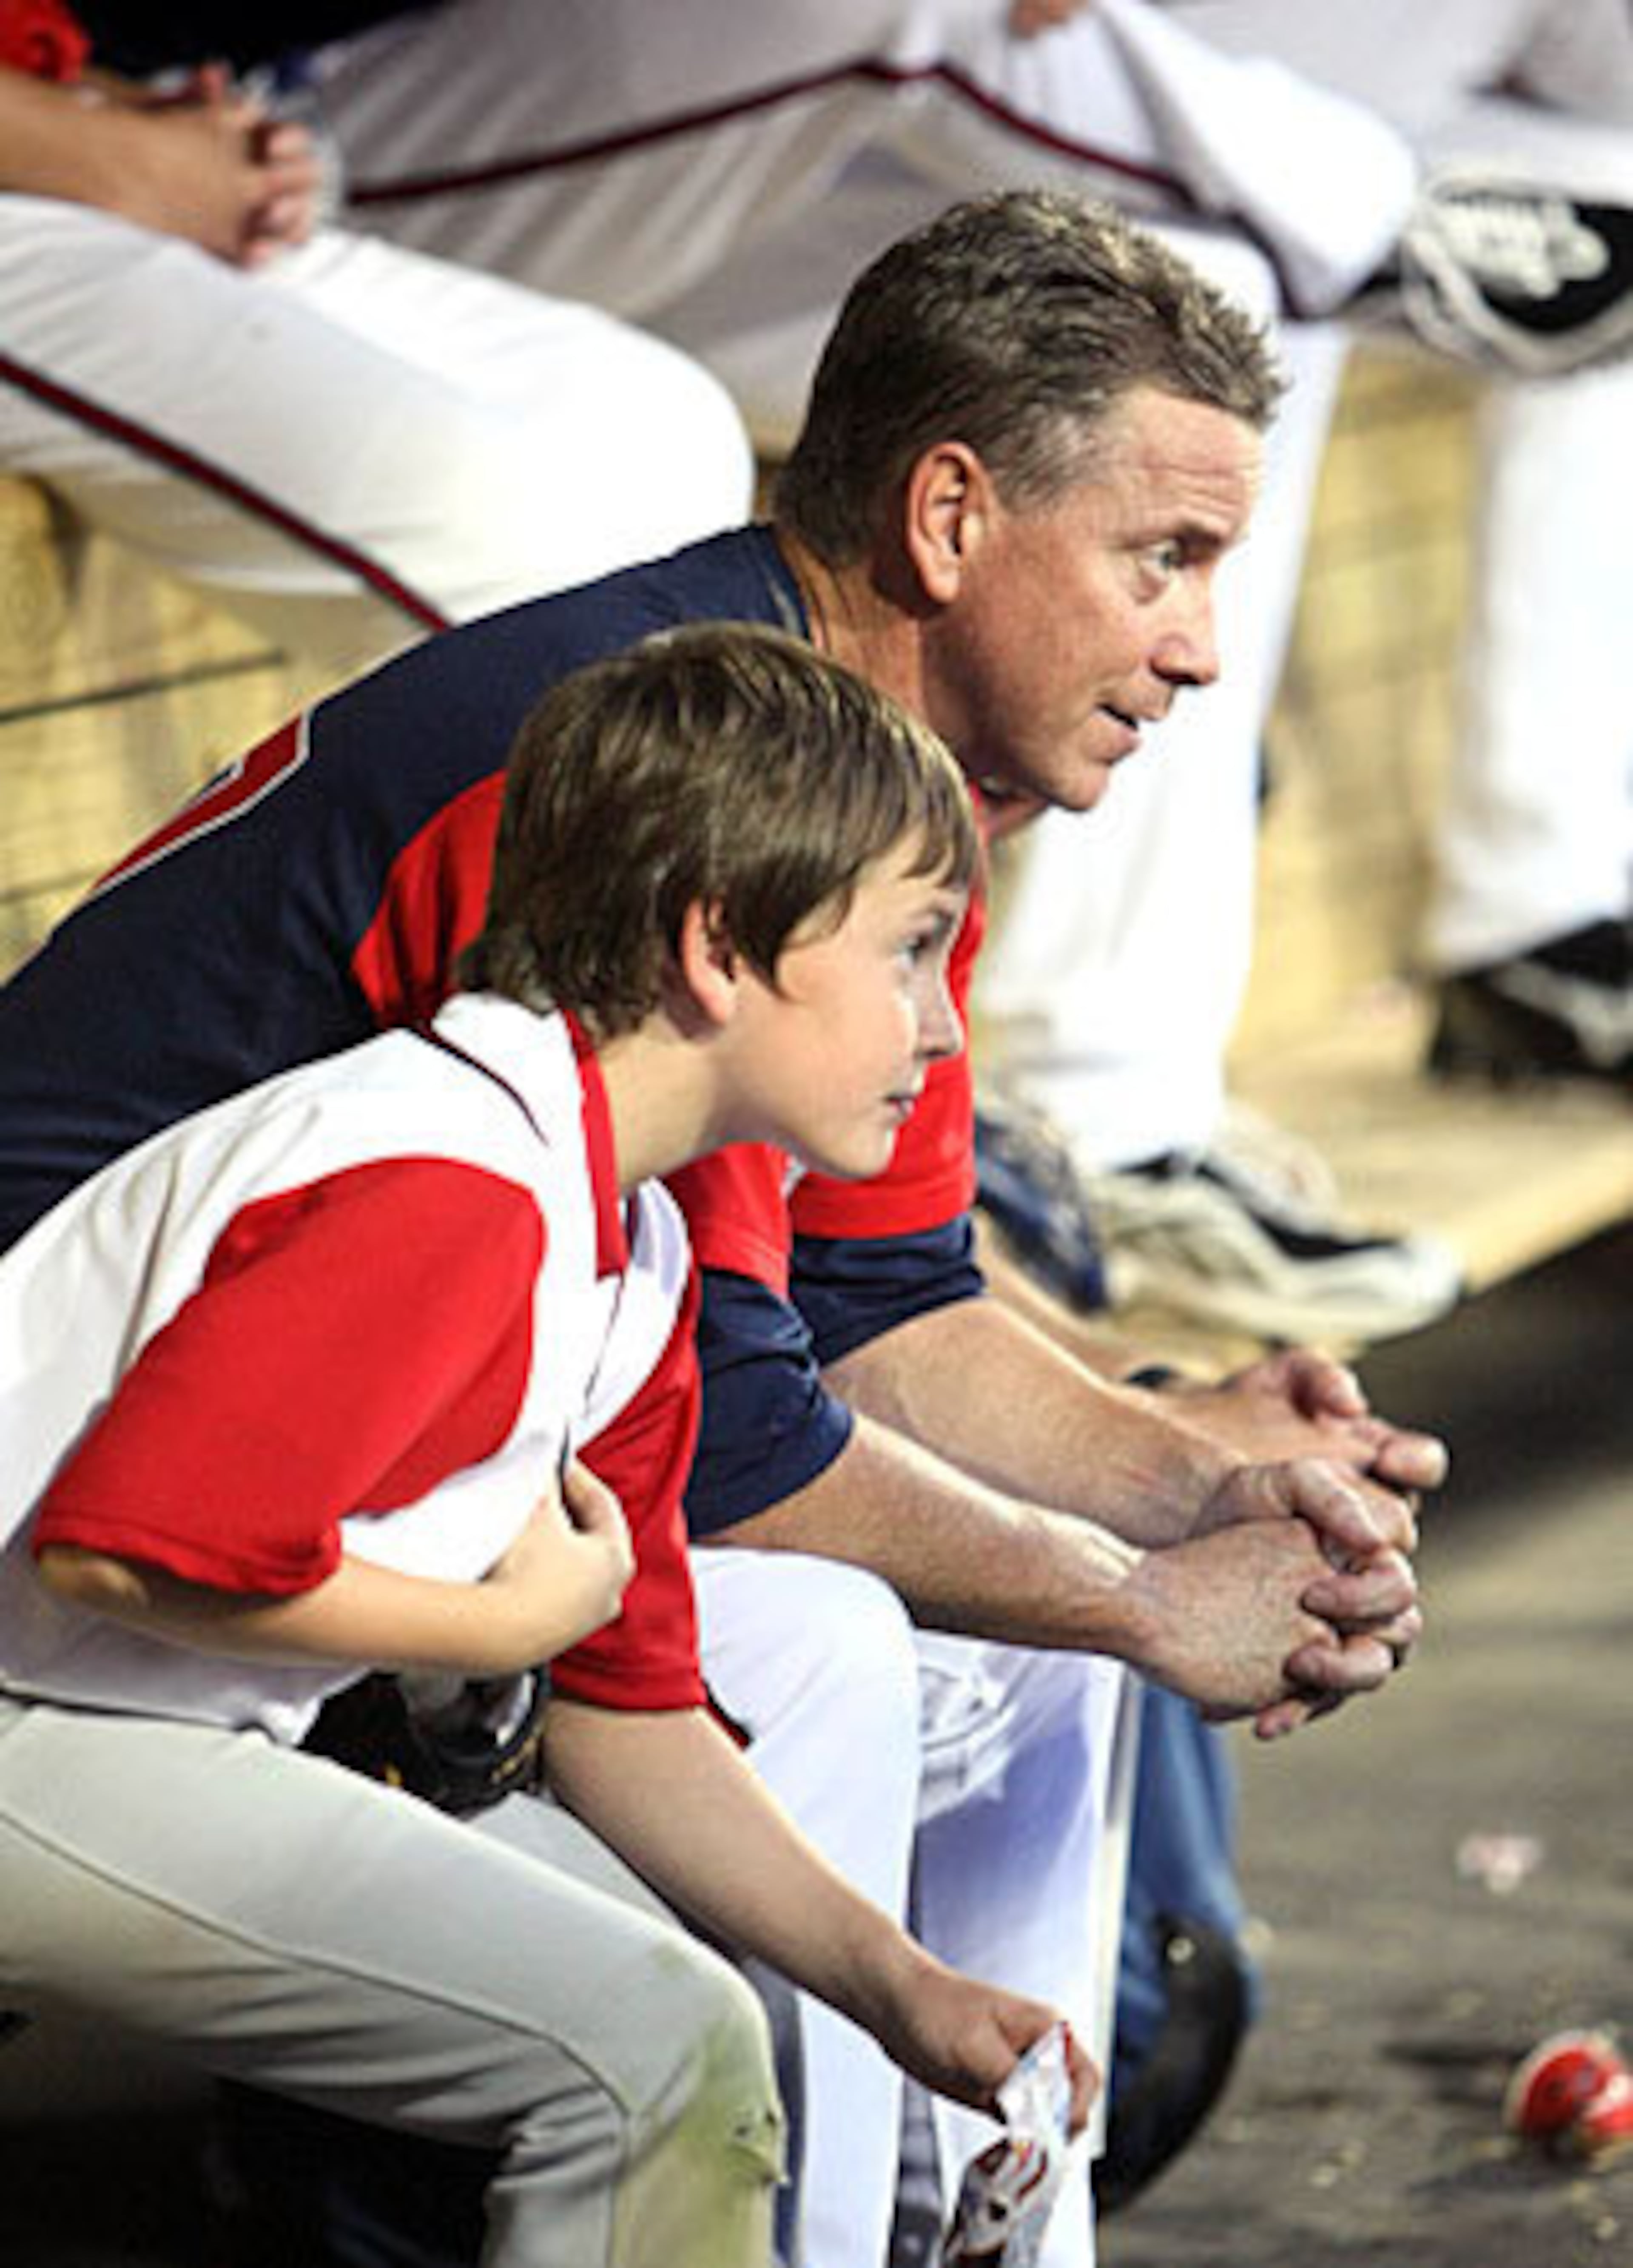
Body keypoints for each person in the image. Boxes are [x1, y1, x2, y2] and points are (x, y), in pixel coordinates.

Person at [0, 193, 1437, 2268]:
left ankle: (994, 2215)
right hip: (105, 1508)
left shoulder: (852, 801)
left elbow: (875, 1304)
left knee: (1018, 1651)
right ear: (949, 517)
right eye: (1164, 557)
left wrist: (1208, 1482)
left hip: (326, 1494)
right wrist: (1134, 1586)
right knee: (851, 1640)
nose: (1202, 641)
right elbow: (741, 1443)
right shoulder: (658, 802)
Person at [0, 620, 1102, 2268]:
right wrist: (507, 1624)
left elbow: (630, 1700)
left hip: (123, 1719)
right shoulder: (446, 1173)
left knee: (681, 2013)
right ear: (718, 946)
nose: (943, 1028)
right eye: (910, 949)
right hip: (37, 1720)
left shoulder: (627, 1245)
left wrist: (899, 1984)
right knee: (648, 2053)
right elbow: (126, 1545)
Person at [0, 4, 751, 677]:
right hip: (39, 169)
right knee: (542, 587)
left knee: (677, 433)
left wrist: (132, 111)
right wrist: (116, 154)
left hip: (61, 107)